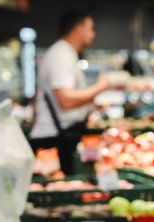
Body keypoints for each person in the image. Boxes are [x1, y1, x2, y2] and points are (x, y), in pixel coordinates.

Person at [29, 10, 109, 175]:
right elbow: (65, 100)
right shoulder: (61, 54)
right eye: (90, 28)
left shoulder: (63, 53)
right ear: (78, 29)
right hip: (54, 140)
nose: (93, 34)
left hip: (57, 136)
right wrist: (100, 86)